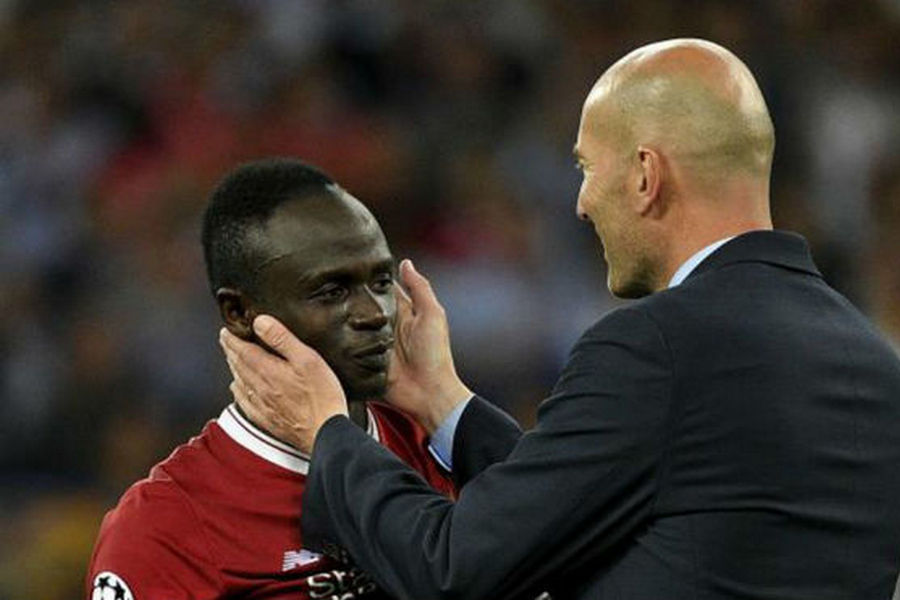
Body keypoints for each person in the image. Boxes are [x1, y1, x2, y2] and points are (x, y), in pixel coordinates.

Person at [222, 39, 900, 599]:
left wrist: (327, 430)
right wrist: (443, 402)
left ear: (645, 176)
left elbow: (450, 567)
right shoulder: (873, 362)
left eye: (586, 167)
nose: (580, 202)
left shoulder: (655, 345)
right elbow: (601, 503)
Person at [86, 159, 454, 599]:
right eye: (332, 291)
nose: (374, 314)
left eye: (380, 281)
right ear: (240, 313)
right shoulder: (164, 528)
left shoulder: (442, 447)